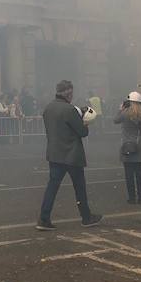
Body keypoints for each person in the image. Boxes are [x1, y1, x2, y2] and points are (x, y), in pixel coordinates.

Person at [36, 80, 102, 230]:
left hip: (54, 153)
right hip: (72, 154)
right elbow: (82, 132)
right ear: (68, 92)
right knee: (79, 188)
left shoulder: (48, 108)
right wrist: (85, 121)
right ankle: (86, 217)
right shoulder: (69, 110)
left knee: (52, 187)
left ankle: (44, 218)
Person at [115, 91, 141, 204]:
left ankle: (132, 198)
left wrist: (121, 108)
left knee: (129, 174)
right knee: (139, 173)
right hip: (140, 145)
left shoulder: (125, 113)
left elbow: (115, 120)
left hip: (127, 146)